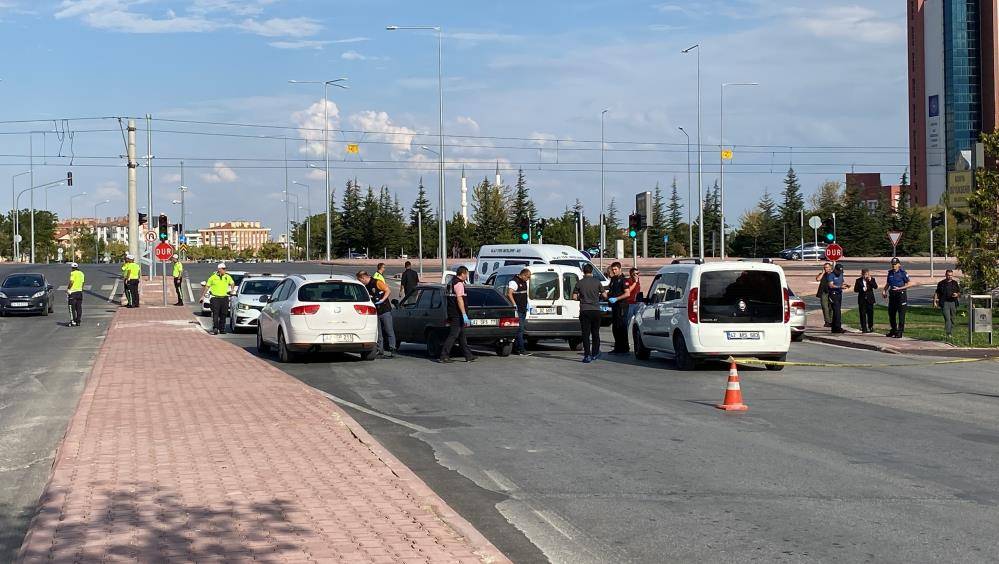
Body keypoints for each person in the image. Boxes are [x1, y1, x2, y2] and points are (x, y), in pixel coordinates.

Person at [439, 266, 476, 363]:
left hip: (452, 311)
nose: (467, 276)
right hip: (457, 314)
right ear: (463, 274)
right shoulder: (459, 284)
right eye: (466, 274)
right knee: (454, 335)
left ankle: (468, 355)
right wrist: (464, 314)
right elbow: (459, 299)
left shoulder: (451, 282)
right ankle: (444, 355)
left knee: (462, 335)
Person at [572, 263, 605, 363]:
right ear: (592, 271)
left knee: (585, 334)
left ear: (583, 271)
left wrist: (581, 298)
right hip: (596, 310)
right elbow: (605, 295)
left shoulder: (579, 283)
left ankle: (587, 355)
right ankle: (595, 353)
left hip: (585, 310)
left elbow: (574, 297)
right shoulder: (597, 282)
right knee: (595, 333)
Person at [358, 270, 396, 359]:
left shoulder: (377, 282)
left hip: (384, 309)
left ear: (363, 278)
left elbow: (388, 290)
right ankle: (380, 350)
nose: (360, 282)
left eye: (360, 280)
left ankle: (392, 348)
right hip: (375, 311)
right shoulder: (365, 286)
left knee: (388, 330)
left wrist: (382, 300)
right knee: (378, 332)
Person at [882, 257, 912, 338]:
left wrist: (900, 288)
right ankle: (893, 330)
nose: (893, 266)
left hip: (901, 295)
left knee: (901, 314)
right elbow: (888, 284)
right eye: (892, 264)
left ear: (899, 264)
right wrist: (884, 291)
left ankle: (900, 331)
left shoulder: (903, 273)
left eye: (895, 264)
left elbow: (909, 284)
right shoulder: (890, 273)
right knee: (891, 313)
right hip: (892, 295)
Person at [204, 263, 235, 335]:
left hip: (224, 298)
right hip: (215, 298)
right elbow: (207, 286)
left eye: (225, 269)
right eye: (223, 269)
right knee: (215, 314)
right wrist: (203, 296)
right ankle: (215, 328)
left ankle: (222, 329)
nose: (225, 270)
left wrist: (232, 289)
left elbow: (232, 283)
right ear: (219, 269)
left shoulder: (227, 277)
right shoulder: (213, 277)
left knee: (223, 314)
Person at [506, 268, 531, 356]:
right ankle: (521, 349)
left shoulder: (524, 282)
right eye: (528, 277)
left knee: (521, 329)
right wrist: (514, 304)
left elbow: (524, 294)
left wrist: (528, 304)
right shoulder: (514, 282)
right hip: (518, 310)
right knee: (520, 329)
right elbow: (509, 293)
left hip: (523, 308)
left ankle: (517, 348)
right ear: (523, 275)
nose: (528, 279)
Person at [606, 262, 630, 354]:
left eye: (615, 269)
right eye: (613, 269)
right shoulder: (613, 280)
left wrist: (616, 299)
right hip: (615, 307)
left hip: (622, 306)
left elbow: (627, 293)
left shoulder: (624, 280)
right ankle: (618, 347)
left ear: (620, 269)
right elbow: (611, 292)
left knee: (622, 327)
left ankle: (624, 348)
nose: (614, 271)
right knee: (615, 328)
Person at [933, 269, 962, 337]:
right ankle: (948, 333)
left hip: (953, 302)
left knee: (953, 318)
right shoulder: (941, 283)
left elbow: (959, 293)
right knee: (947, 318)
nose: (950, 277)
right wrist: (934, 302)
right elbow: (937, 293)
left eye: (951, 275)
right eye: (948, 275)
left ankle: (951, 331)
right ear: (945, 275)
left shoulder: (955, 283)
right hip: (945, 302)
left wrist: (957, 295)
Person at [826, 263, 850, 333]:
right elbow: (831, 285)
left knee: (838, 310)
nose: (840, 273)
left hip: (839, 293)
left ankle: (834, 328)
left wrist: (845, 285)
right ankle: (837, 327)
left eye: (841, 271)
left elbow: (841, 283)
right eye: (839, 271)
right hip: (833, 294)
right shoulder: (831, 275)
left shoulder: (841, 275)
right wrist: (840, 287)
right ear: (835, 270)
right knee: (837, 311)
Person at [853, 269, 878, 333]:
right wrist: (861, 289)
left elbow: (875, 287)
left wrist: (870, 281)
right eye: (864, 275)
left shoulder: (872, 279)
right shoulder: (858, 280)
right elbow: (855, 290)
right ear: (862, 274)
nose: (865, 276)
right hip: (862, 300)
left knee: (870, 314)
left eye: (867, 274)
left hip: (870, 300)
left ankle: (870, 326)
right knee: (862, 314)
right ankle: (864, 328)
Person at [814, 262, 833, 327]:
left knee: (831, 307)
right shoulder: (822, 274)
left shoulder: (833, 274)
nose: (826, 269)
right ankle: (827, 321)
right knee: (825, 307)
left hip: (831, 292)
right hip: (823, 292)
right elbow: (817, 279)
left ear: (830, 267)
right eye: (824, 267)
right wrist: (822, 273)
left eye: (827, 267)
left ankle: (831, 320)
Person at [67, 262, 84, 327]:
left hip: (73, 292)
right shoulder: (81, 273)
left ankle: (73, 321)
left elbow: (71, 282)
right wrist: (80, 289)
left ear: (72, 268)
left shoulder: (73, 273)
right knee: (79, 307)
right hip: (79, 292)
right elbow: (82, 282)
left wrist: (68, 289)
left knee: (72, 308)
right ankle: (78, 321)